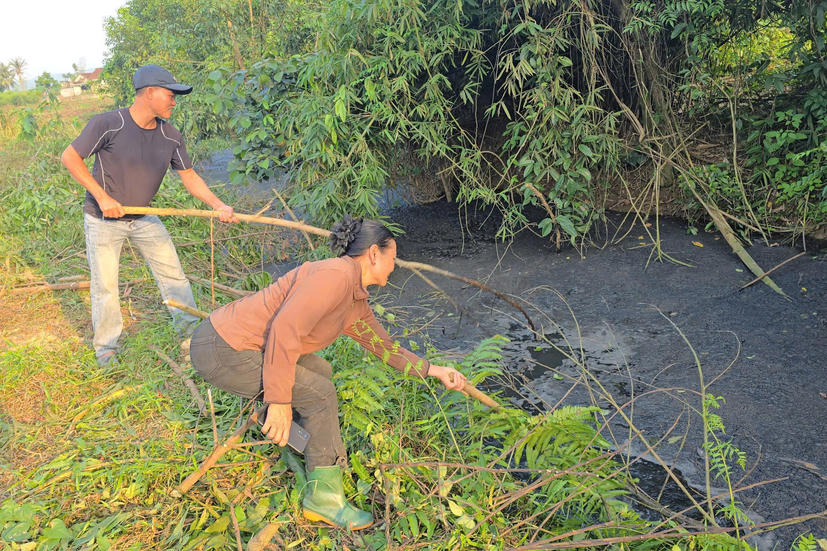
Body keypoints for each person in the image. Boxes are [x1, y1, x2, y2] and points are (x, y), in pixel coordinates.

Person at [189, 216, 467, 530]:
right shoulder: (334, 276)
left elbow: (387, 349)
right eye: (393, 257)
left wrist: (436, 371)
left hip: (244, 346)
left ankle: (294, 441)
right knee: (319, 394)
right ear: (374, 254)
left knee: (320, 370)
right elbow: (285, 328)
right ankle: (322, 499)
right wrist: (279, 400)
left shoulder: (354, 299)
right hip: (223, 348)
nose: (395, 264)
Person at [61, 64, 237, 365]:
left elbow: (190, 177)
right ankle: (106, 349)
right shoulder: (108, 123)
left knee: (174, 278)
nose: (174, 102)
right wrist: (103, 198)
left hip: (144, 218)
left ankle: (191, 341)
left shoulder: (171, 136)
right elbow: (70, 156)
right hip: (103, 220)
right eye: (171, 95)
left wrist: (218, 205)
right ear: (150, 93)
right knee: (105, 284)